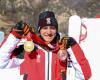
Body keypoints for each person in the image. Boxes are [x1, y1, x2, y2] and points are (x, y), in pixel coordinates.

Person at [0, 11, 91, 80]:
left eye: (52, 28)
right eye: (45, 28)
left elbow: (84, 75)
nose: (49, 32)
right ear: (39, 30)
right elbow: (1, 62)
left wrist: (73, 46)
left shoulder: (63, 50)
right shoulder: (27, 50)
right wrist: (15, 35)